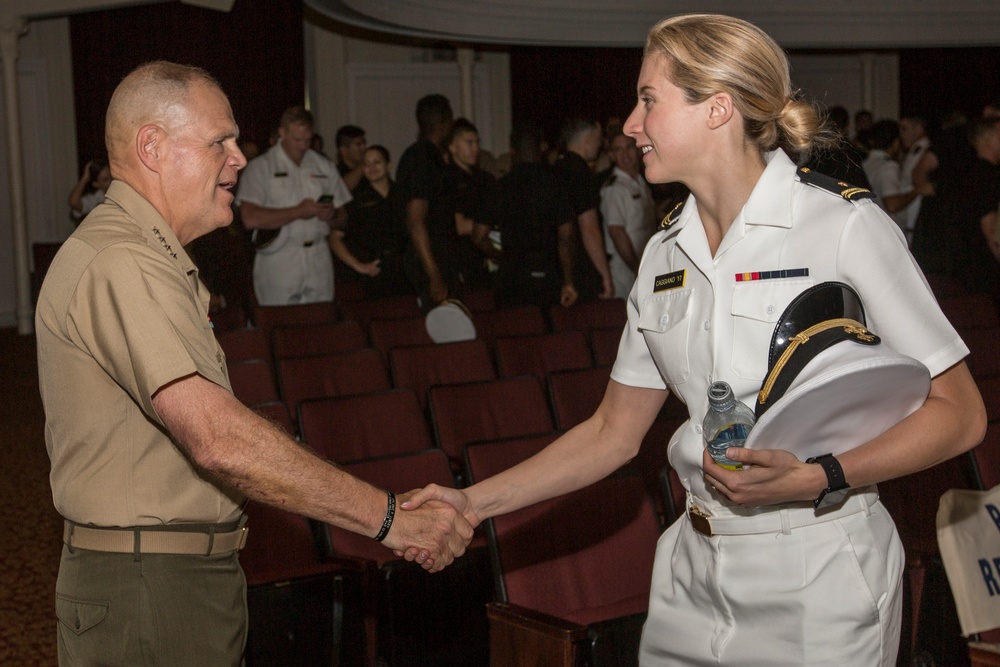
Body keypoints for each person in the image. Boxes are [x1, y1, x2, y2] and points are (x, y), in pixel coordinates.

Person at [403, 14, 986, 666]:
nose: (630, 123)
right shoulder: (662, 254)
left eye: (648, 99)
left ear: (718, 108)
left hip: (817, 569)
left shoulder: (842, 226)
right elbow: (612, 434)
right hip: (691, 570)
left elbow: (960, 415)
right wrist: (470, 502)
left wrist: (819, 474)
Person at [35, 61, 472, 667]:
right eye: (220, 141)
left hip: (173, 578)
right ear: (152, 148)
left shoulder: (149, 257)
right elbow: (216, 438)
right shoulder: (122, 260)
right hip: (150, 588)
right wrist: (388, 519)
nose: (239, 158)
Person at [237, 106, 351, 306]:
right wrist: (299, 211)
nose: (303, 146)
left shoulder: (323, 166)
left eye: (307, 140)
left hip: (318, 256)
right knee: (282, 325)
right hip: (280, 258)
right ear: (282, 133)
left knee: (321, 322)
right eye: (298, 139)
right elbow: (250, 218)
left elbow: (343, 217)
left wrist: (331, 214)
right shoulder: (261, 167)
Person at [476, 124, 578, 309]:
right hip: (547, 274)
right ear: (541, 149)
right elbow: (566, 237)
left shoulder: (500, 187)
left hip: (511, 277)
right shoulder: (555, 185)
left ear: (513, 151)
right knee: (548, 333)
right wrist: (568, 281)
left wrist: (501, 256)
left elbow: (479, 236)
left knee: (513, 334)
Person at [395, 93, 460, 309]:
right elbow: (415, 220)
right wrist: (434, 274)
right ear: (442, 123)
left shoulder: (434, 156)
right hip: (429, 258)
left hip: (442, 255)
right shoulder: (421, 159)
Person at [332, 145, 412, 299]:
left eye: (377, 162)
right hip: (374, 273)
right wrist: (357, 265)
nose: (371, 168)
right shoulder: (356, 199)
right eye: (366, 164)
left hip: (405, 270)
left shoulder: (403, 194)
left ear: (389, 165)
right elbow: (335, 238)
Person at [554, 118, 614, 301]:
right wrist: (605, 276)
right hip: (584, 271)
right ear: (588, 139)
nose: (601, 145)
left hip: (561, 271)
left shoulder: (555, 169)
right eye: (598, 139)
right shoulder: (581, 174)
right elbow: (589, 228)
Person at [599, 132, 658, 298]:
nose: (625, 154)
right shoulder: (615, 188)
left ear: (638, 150)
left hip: (645, 265)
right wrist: (637, 268)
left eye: (629, 147)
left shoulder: (640, 181)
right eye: (618, 150)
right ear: (611, 155)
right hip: (627, 269)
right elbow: (617, 232)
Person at [446, 117, 496, 289]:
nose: (475, 148)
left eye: (477, 142)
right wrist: (491, 225)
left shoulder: (485, 179)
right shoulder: (449, 180)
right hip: (464, 261)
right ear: (452, 147)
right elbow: (460, 226)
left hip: (488, 257)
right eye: (469, 143)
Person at [862, 119, 933, 233]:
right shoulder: (888, 166)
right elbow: (892, 205)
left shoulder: (866, 163)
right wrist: (918, 190)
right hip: (892, 231)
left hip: (875, 227)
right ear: (895, 142)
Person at [67, 158, 111, 224]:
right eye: (105, 180)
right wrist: (85, 178)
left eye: (111, 176)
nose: (111, 181)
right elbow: (73, 202)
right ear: (96, 184)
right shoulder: (94, 200)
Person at [335, 124, 367, 191]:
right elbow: (340, 189)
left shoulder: (367, 172)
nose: (364, 148)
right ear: (344, 150)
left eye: (364, 143)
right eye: (358, 144)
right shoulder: (335, 173)